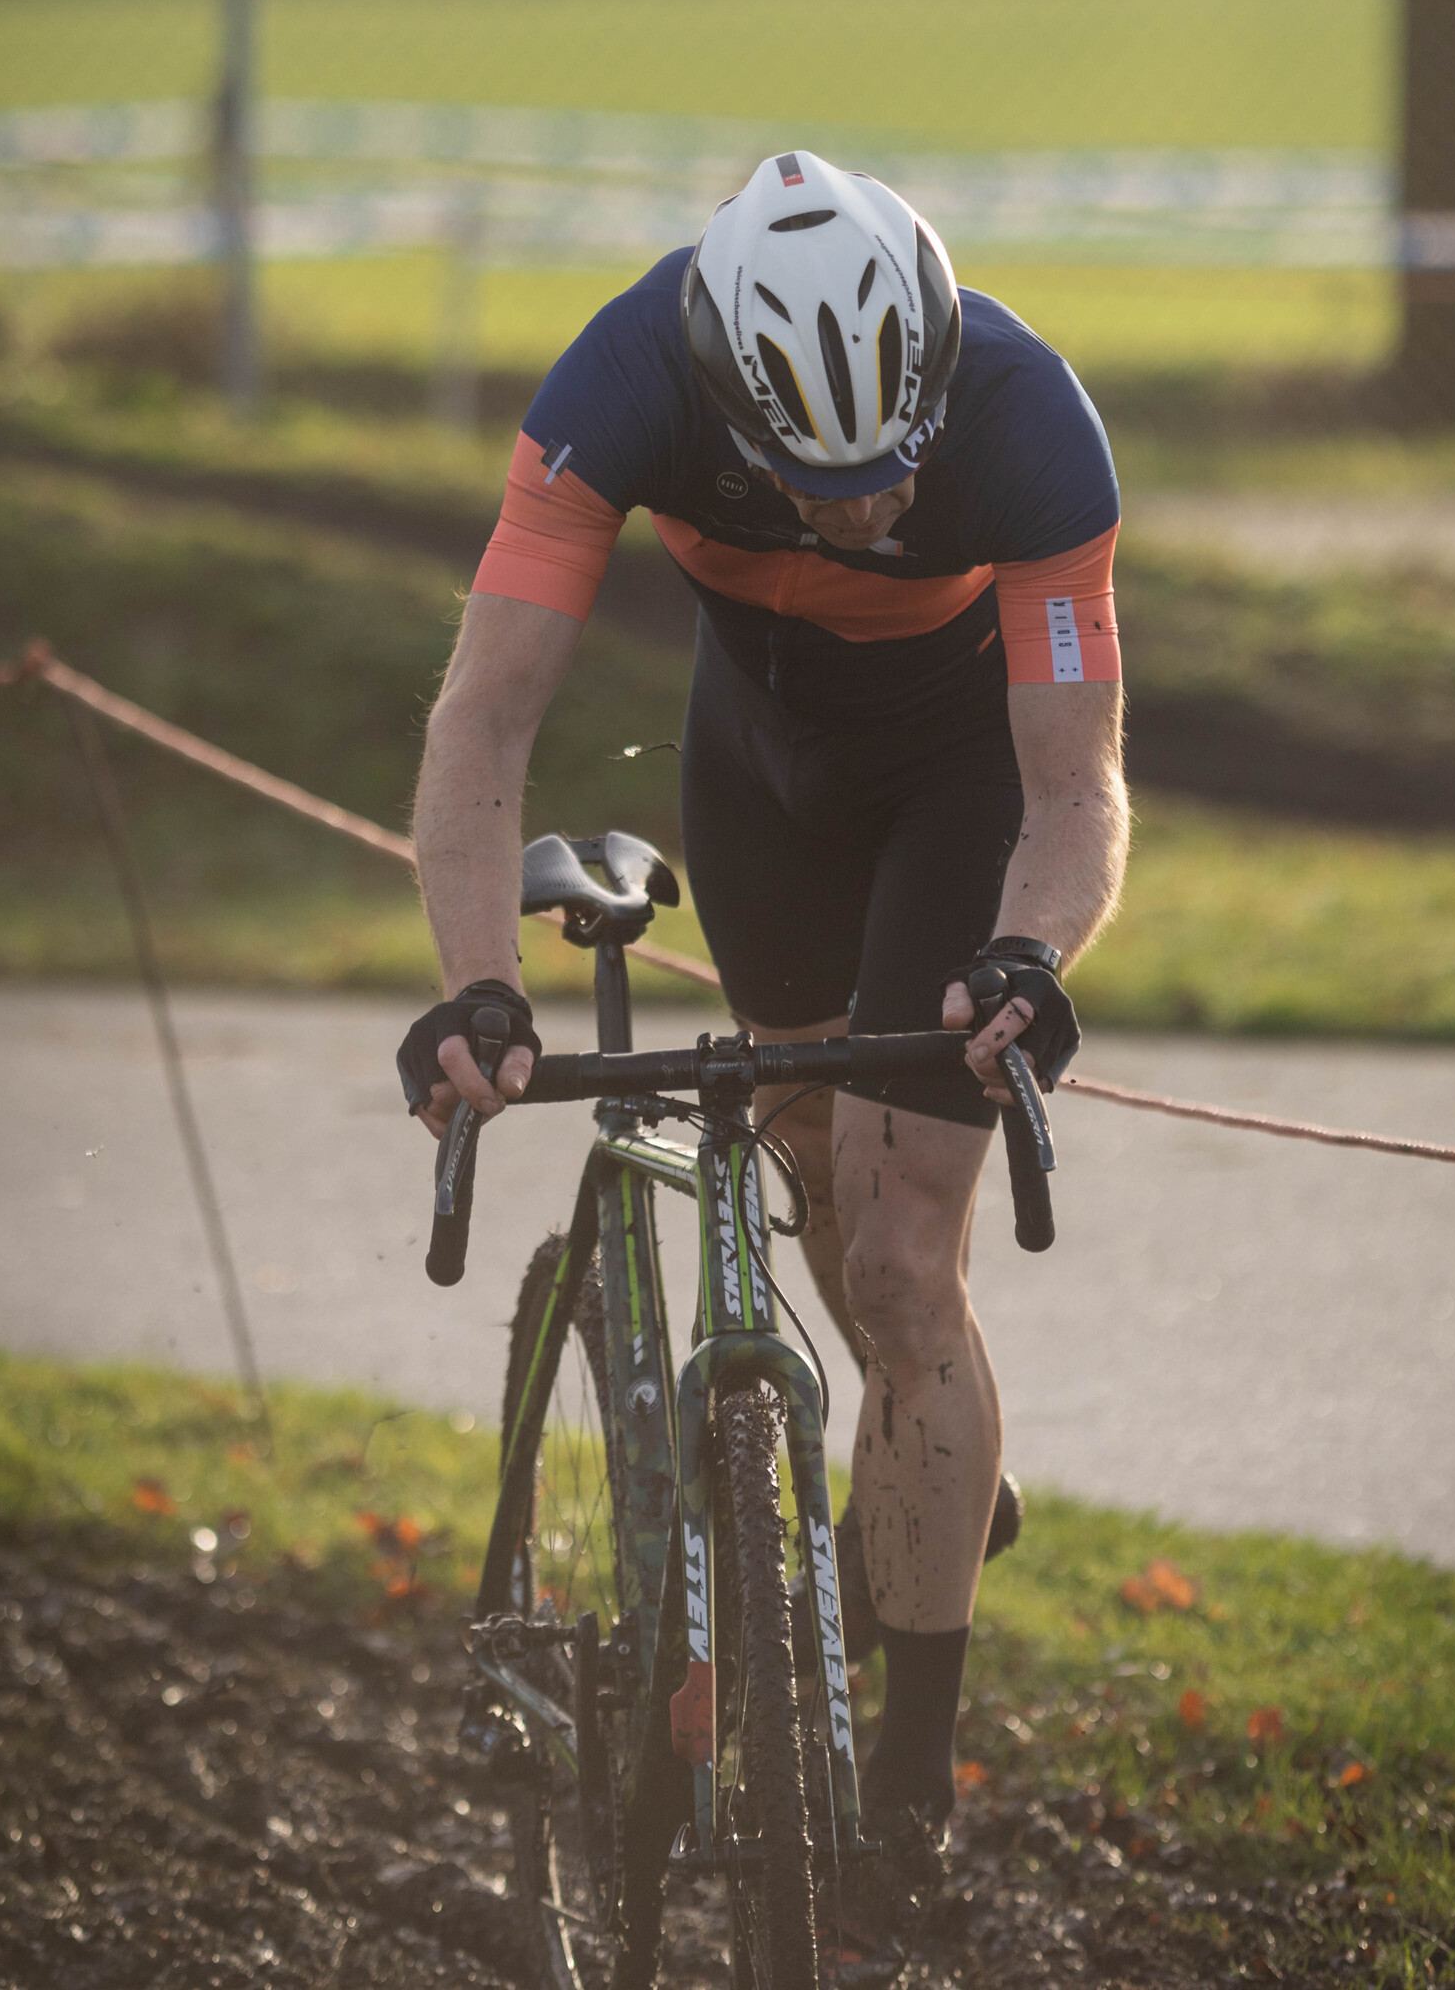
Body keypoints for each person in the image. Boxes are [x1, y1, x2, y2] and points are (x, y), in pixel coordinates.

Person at [400, 149, 1127, 1966]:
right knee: (808, 1172)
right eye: (823, 482)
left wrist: (1031, 955)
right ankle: (923, 1454)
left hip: (961, 780)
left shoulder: (1032, 424)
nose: (871, 508)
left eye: (894, 467)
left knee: (899, 1260)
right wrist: (480, 985)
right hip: (764, 773)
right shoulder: (619, 386)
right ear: (727, 395)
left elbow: (1072, 782)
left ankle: (914, 1777)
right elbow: (486, 718)